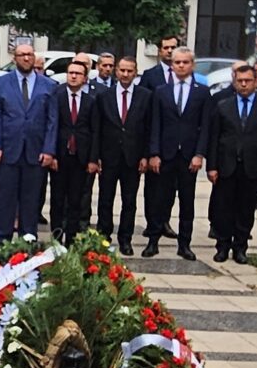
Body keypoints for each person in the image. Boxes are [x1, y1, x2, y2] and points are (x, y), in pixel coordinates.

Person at [203, 63, 257, 264]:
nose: (244, 84)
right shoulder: (223, 106)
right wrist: (211, 166)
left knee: (245, 209)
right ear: (234, 82)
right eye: (240, 81)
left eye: (248, 81)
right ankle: (222, 246)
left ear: (256, 82)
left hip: (252, 167)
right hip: (226, 166)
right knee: (223, 208)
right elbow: (214, 138)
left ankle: (240, 247)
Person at [145, 46, 209, 259]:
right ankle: (153, 241)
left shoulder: (202, 92)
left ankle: (184, 244)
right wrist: (154, 153)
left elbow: (205, 126)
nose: (181, 65)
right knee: (159, 199)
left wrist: (199, 154)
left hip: (189, 156)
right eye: (177, 62)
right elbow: (155, 123)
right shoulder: (161, 91)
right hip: (165, 154)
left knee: (187, 201)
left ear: (192, 65)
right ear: (171, 65)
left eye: (185, 62)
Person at [0, 41, 53, 242]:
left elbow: (52, 121)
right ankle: (2, 237)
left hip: (35, 151)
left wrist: (49, 150)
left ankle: (28, 238)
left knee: (31, 198)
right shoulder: (0, 83)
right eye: (22, 54)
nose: (26, 58)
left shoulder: (49, 85)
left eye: (29, 54)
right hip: (7, 150)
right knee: (5, 196)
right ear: (14, 58)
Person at [93, 55, 153, 254]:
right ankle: (103, 236)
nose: (125, 74)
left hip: (133, 157)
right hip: (109, 156)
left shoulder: (145, 96)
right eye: (122, 70)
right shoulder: (104, 96)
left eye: (130, 71)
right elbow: (98, 128)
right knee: (105, 199)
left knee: (129, 201)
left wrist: (145, 155)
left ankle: (125, 239)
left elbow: (148, 128)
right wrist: (96, 156)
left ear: (135, 73)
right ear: (116, 71)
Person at [43, 59, 98, 245]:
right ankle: (57, 239)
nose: (73, 76)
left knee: (76, 200)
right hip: (59, 157)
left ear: (85, 78)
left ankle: (71, 240)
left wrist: (92, 159)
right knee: (58, 199)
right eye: (71, 73)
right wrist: (52, 154)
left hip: (80, 158)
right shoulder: (56, 97)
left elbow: (94, 131)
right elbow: (51, 127)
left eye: (78, 74)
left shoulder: (91, 101)